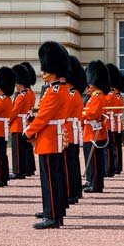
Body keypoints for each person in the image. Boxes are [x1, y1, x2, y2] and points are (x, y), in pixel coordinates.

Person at [24, 41, 70, 229]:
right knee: (55, 177)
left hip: (49, 138)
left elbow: (44, 117)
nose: (43, 73)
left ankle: (52, 216)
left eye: (45, 70)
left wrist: (28, 132)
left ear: (52, 70)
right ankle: (54, 212)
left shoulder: (54, 91)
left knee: (50, 179)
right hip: (54, 137)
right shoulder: (61, 89)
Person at [82, 60, 110, 193]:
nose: (88, 86)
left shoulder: (98, 96)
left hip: (95, 133)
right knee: (91, 159)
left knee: (95, 161)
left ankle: (96, 184)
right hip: (90, 132)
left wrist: (80, 115)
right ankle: (91, 181)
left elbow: (93, 113)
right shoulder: (94, 96)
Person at [65, 56, 86, 204]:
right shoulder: (74, 92)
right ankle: (75, 191)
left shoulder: (71, 94)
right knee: (72, 164)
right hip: (72, 131)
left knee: (68, 165)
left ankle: (70, 193)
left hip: (68, 132)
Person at [9, 64, 30, 180]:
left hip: (17, 125)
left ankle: (17, 171)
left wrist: (7, 121)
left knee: (17, 150)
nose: (16, 86)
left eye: (17, 84)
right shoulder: (25, 94)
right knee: (20, 150)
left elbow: (14, 111)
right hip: (21, 123)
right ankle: (20, 170)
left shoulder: (21, 96)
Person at [106, 64, 124, 176]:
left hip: (111, 123)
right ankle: (117, 166)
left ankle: (111, 167)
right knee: (117, 146)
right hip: (117, 123)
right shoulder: (118, 95)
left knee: (111, 147)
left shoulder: (110, 95)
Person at [20, 62, 38, 177]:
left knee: (24, 147)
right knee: (27, 148)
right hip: (28, 118)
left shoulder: (24, 93)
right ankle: (30, 168)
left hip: (23, 120)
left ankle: (26, 168)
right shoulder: (30, 92)